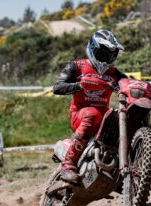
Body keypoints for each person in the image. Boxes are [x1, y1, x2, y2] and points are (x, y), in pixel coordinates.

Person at [53, 30, 127, 183]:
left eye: (111, 55)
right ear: (93, 49)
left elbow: (128, 85)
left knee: (122, 118)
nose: (107, 59)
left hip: (104, 117)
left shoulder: (114, 73)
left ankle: (122, 171)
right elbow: (57, 87)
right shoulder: (77, 66)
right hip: (80, 113)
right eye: (104, 54)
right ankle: (68, 165)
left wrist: (149, 92)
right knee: (93, 114)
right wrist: (80, 85)